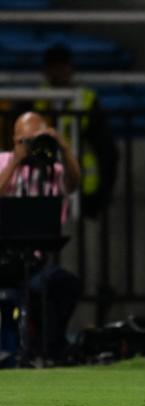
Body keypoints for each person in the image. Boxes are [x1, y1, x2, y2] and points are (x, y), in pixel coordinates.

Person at [0, 111, 83, 363]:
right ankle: (30, 349)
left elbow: (74, 182)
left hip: (34, 262)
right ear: (14, 139)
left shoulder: (52, 168)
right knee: (34, 291)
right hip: (4, 259)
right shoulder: (3, 160)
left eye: (34, 139)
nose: (30, 146)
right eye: (25, 140)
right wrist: (16, 160)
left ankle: (50, 350)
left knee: (63, 284)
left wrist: (62, 146)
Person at [34, 43, 118, 218]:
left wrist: (103, 193)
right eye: (53, 67)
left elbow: (107, 150)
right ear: (46, 70)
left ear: (71, 68)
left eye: (62, 66)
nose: (58, 72)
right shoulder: (34, 100)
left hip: (85, 191)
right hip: (44, 191)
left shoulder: (87, 99)